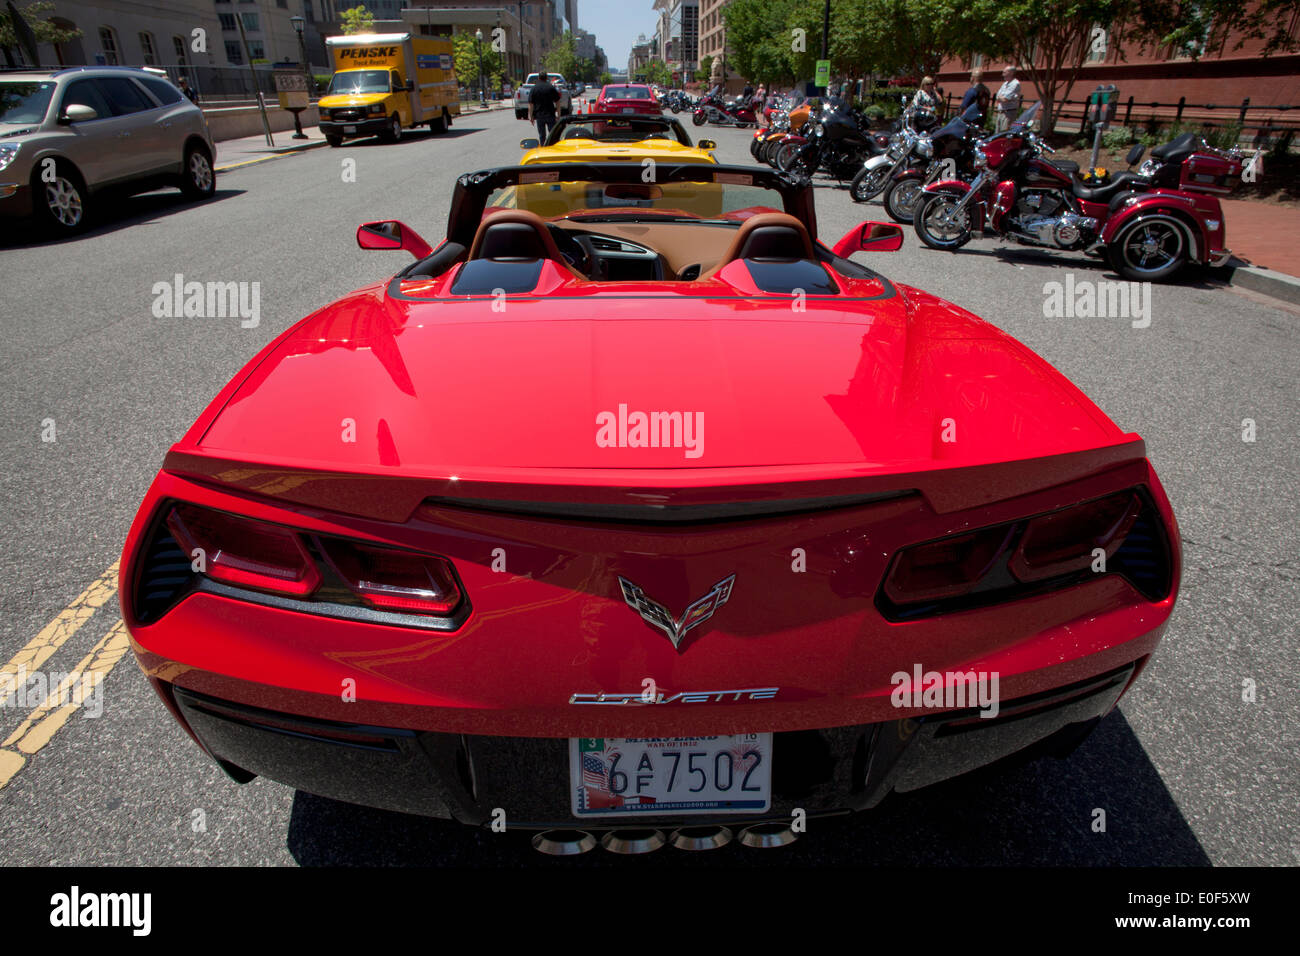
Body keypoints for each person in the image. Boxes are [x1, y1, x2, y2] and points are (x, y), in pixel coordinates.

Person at [527, 69, 561, 143]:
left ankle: (543, 149)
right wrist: (558, 114)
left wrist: (530, 116)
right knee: (553, 135)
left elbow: (531, 104)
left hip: (539, 116)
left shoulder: (534, 88)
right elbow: (557, 101)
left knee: (542, 136)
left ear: (539, 78)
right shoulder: (551, 87)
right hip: (550, 115)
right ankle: (553, 149)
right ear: (546, 78)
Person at [995, 65, 1022, 133]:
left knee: (1004, 134)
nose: (1002, 74)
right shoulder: (1005, 84)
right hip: (1000, 112)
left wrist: (1001, 97)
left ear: (1011, 73)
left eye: (1005, 72)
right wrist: (1000, 97)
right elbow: (997, 96)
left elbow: (1005, 99)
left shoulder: (1015, 84)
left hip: (1008, 113)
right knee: (996, 135)